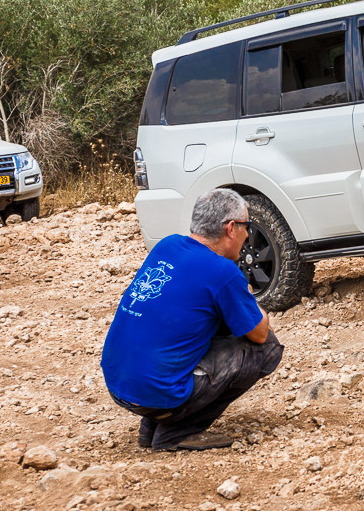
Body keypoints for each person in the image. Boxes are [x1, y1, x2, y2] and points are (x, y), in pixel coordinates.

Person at [101, 189, 283, 451]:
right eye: (247, 226)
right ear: (231, 228)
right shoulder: (223, 272)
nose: (247, 234)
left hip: (119, 385)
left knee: (199, 326)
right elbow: (260, 334)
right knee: (267, 350)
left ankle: (151, 425)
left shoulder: (167, 245)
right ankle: (176, 431)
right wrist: (250, 300)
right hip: (151, 394)